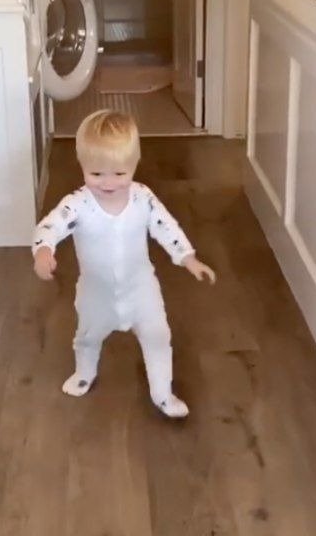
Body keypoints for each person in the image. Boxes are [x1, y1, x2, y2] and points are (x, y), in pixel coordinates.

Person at [32, 109, 215, 418]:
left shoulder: (143, 198)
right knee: (88, 337)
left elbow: (165, 226)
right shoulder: (77, 205)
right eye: (96, 173)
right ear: (82, 166)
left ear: (133, 166)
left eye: (119, 174)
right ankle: (84, 374)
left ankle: (163, 393)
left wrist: (188, 257)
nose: (107, 183)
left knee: (158, 336)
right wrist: (43, 251)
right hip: (96, 291)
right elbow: (49, 227)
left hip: (141, 288)